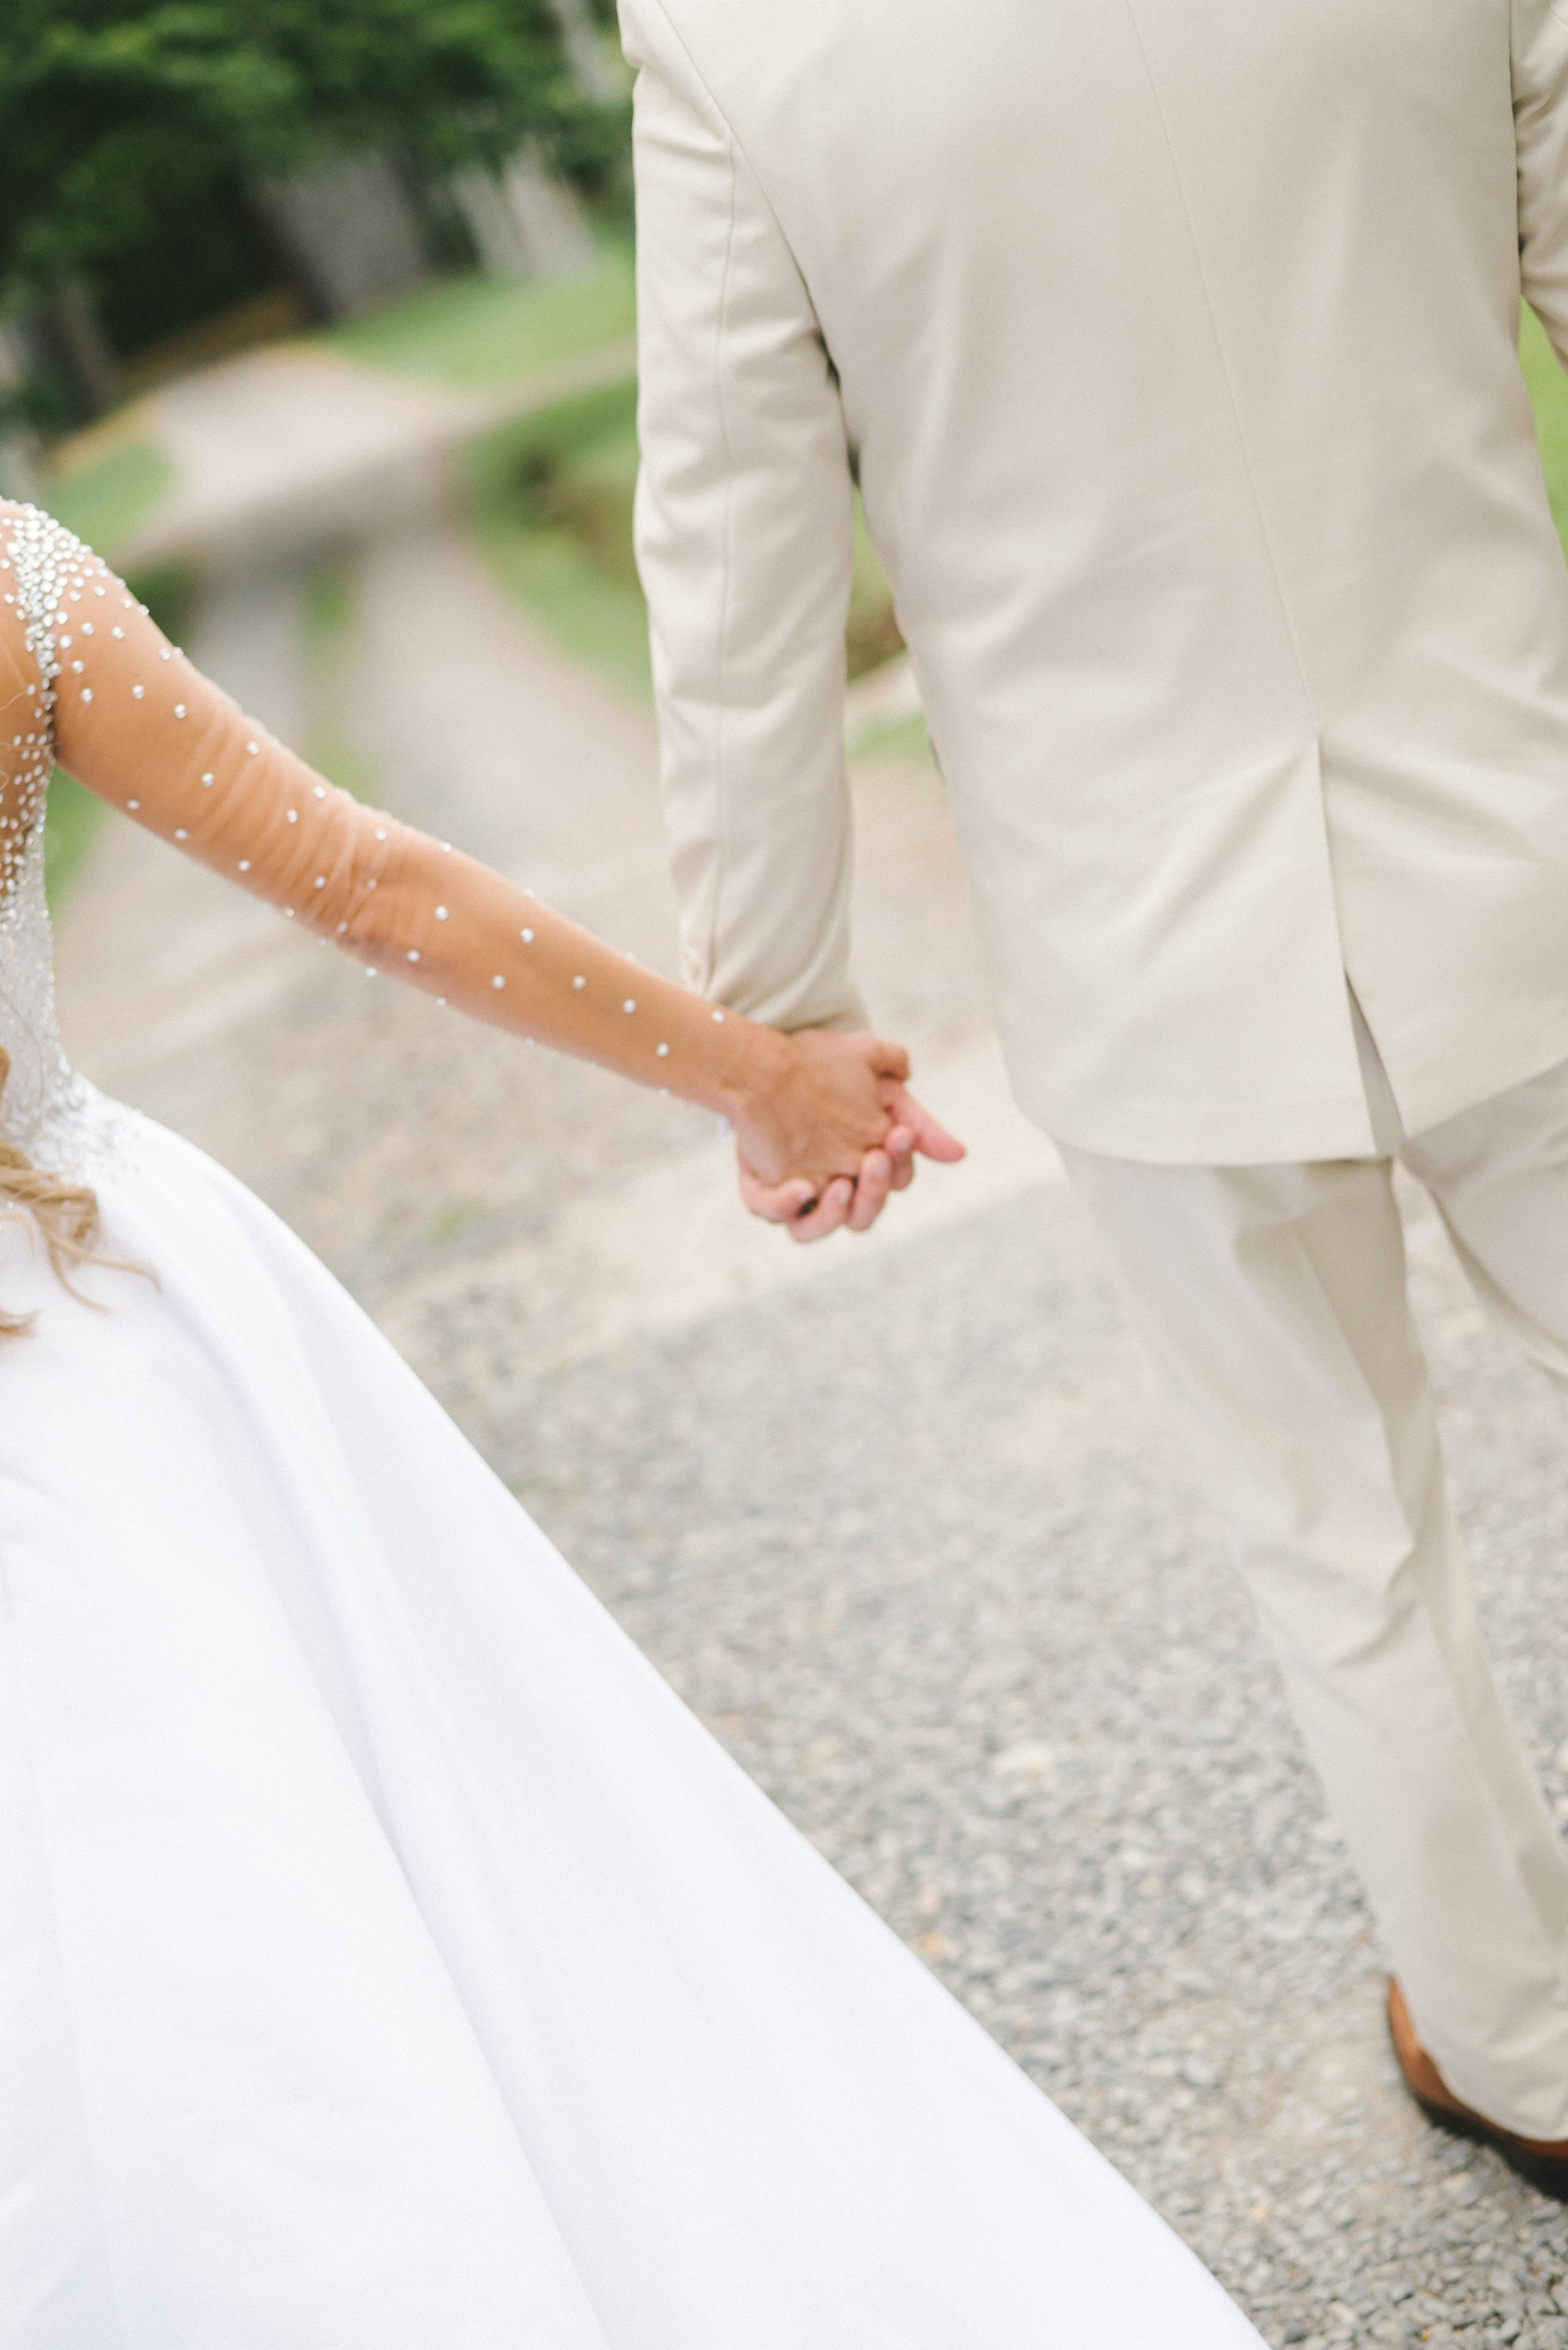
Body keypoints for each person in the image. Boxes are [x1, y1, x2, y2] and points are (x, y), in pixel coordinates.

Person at [0, 501, 1265, 2344]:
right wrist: (762, 1078)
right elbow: (371, 886)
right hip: (105, 1334)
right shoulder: (13, 582)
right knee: (327, 1913)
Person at [622, 0, 1568, 2196]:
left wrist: (783, 1023)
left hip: (1146, 950)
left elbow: (735, 564)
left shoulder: (743, 44)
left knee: (1336, 1527)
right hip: (1515, 841)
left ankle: (1524, 2045)